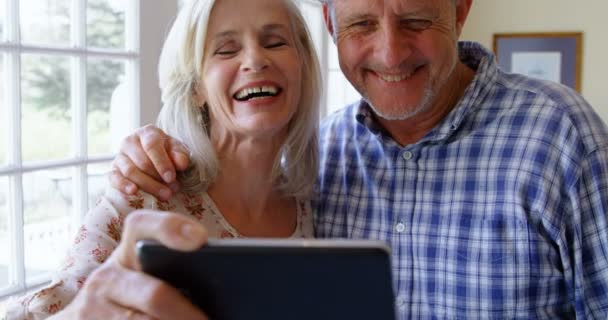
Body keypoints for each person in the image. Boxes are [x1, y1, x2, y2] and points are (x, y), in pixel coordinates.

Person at [110, 0, 608, 318]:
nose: (390, 53)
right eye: (362, 24)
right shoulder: (319, 160)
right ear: (330, 24)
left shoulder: (562, 135)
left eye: (414, 20)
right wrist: (151, 145)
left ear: (459, 10)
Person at [5, 0, 321, 318]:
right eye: (226, 50)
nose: (255, 59)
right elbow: (54, 307)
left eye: (275, 42)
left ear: (303, 69)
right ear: (196, 87)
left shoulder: (314, 206)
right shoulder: (142, 196)